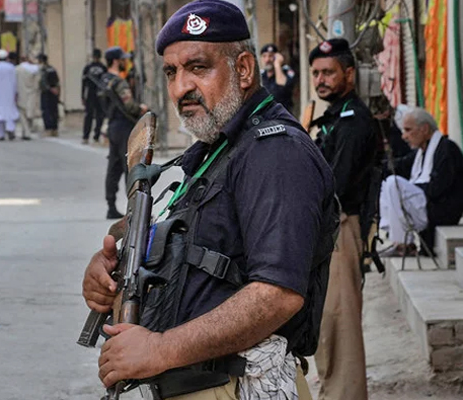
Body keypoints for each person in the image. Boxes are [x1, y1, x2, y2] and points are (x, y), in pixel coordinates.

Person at [82, 1, 338, 398]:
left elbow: (276, 294)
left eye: (198, 67)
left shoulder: (275, 153)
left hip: (237, 386)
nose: (181, 87)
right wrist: (108, 262)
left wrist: (160, 348)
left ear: (244, 69)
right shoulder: (212, 149)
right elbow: (176, 226)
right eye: (172, 72)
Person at [310, 38, 379, 400]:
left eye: (329, 72)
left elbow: (335, 185)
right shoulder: (336, 116)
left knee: (340, 325)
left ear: (349, 74)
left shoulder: (352, 121)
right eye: (316, 73)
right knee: (328, 326)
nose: (321, 79)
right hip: (331, 230)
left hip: (341, 228)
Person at [379, 107, 463, 257]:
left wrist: (411, 188)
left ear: (424, 129)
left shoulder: (447, 149)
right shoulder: (421, 152)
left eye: (408, 130)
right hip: (426, 206)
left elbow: (437, 188)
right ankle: (399, 242)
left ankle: (403, 244)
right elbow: (399, 165)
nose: (404, 136)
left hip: (441, 210)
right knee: (387, 183)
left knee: (394, 183)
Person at [101, 46, 148, 219]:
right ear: (115, 61)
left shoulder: (104, 80)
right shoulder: (119, 82)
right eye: (122, 60)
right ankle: (134, 207)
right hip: (124, 127)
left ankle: (111, 205)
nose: (124, 63)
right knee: (131, 166)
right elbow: (129, 105)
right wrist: (141, 109)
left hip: (113, 126)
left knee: (113, 167)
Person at [0, 49, 22, 141]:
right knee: (9, 112)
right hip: (9, 93)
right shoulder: (11, 67)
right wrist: (16, 92)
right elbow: (15, 82)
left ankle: (0, 134)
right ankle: (11, 130)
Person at [260, 44, 296, 113]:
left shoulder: (286, 71)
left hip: (284, 116)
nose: (267, 60)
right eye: (264, 56)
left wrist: (277, 64)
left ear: (277, 57)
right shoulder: (261, 75)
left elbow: (282, 85)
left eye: (271, 56)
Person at [81, 48, 106, 144]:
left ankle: (86, 137)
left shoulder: (88, 67)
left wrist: (82, 96)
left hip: (91, 94)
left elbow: (83, 83)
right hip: (99, 94)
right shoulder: (103, 67)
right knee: (99, 115)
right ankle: (95, 136)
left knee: (89, 115)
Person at [15, 56, 41, 138]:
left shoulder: (17, 69)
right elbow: (38, 82)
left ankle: (26, 131)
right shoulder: (36, 70)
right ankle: (28, 129)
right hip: (32, 93)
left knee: (22, 114)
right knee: (30, 113)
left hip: (21, 92)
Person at [38, 54, 60, 137]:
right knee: (54, 110)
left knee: (46, 110)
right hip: (54, 92)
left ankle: (49, 129)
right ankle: (55, 129)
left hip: (46, 92)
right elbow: (57, 81)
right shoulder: (52, 69)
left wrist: (50, 89)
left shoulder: (43, 69)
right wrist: (57, 91)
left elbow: (43, 82)